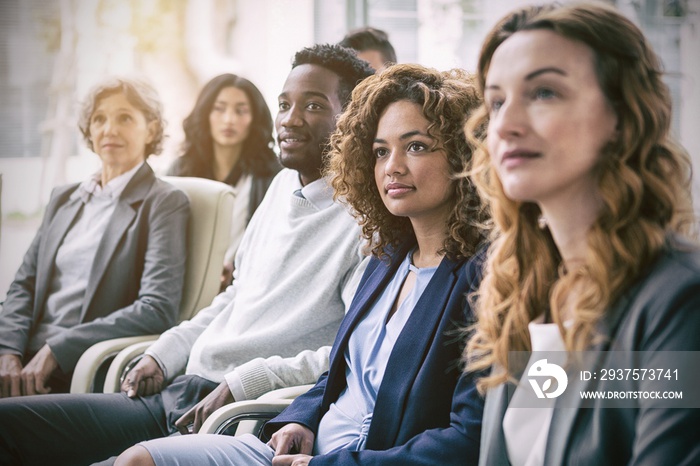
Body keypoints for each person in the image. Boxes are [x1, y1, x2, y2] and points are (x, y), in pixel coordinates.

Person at [0, 44, 374, 466]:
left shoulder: (366, 223)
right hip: (174, 391)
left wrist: (244, 382)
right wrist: (166, 351)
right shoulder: (280, 189)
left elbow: (353, 351)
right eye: (284, 104)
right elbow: (234, 295)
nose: (289, 118)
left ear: (351, 121)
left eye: (313, 105)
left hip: (231, 414)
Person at [118, 63, 488, 466]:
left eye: (416, 146)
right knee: (136, 460)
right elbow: (342, 368)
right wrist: (303, 418)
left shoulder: (483, 279)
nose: (392, 166)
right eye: (381, 151)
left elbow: (469, 441)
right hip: (296, 451)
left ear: (461, 154)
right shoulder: (388, 258)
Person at [462, 3, 700, 465]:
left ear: (621, 116)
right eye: (495, 102)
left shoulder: (681, 301)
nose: (506, 124)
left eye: (544, 92)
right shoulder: (526, 290)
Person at [0, 76, 189, 397]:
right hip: (22, 354)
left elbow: (156, 308)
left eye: (125, 118)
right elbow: (24, 285)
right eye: (99, 119)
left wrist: (57, 350)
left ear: (152, 130)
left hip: (78, 363)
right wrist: (7, 351)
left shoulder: (164, 202)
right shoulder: (63, 198)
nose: (108, 129)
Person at [168, 74, 281, 287]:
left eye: (241, 111)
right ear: (205, 114)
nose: (229, 119)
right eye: (219, 109)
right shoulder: (179, 172)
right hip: (188, 285)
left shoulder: (274, 175)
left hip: (247, 287)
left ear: (255, 118)